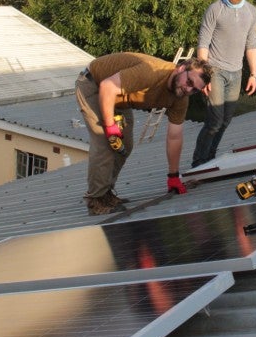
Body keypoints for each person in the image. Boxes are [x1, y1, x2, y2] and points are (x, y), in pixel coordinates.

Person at [75, 52, 212, 215]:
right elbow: (107, 86)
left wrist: (173, 175)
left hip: (118, 99)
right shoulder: (152, 72)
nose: (188, 89)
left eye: (194, 89)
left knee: (124, 144)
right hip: (94, 85)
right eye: (189, 81)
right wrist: (110, 126)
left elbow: (174, 136)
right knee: (106, 141)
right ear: (181, 68)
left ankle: (106, 193)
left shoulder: (180, 98)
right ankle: (95, 200)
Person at [191, 0, 256, 168]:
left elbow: (251, 44)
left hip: (236, 73)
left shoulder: (251, 11)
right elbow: (203, 43)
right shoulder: (215, 9)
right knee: (214, 120)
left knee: (226, 120)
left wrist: (254, 74)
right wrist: (204, 75)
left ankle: (210, 159)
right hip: (215, 71)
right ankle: (199, 164)